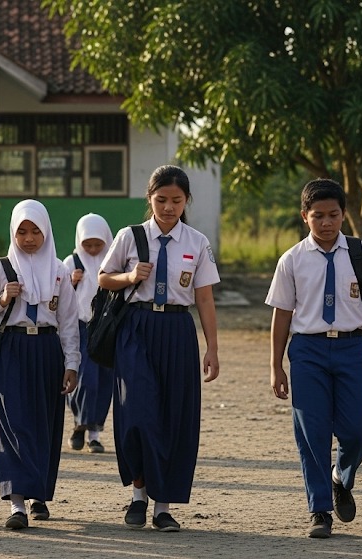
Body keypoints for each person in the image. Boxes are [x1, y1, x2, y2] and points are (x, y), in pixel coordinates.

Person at [265, 178, 362, 539]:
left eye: (334, 215)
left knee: (357, 430)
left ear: (344, 215)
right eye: (318, 215)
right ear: (304, 216)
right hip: (307, 351)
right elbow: (282, 315)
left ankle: (341, 475)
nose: (326, 222)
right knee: (313, 433)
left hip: (352, 348)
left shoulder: (359, 252)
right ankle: (319, 510)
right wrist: (276, 365)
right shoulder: (291, 260)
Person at [99, 165, 220, 533]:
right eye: (161, 199)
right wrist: (130, 277)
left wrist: (212, 347)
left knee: (173, 415)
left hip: (177, 329)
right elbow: (104, 278)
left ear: (186, 202)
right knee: (136, 411)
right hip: (135, 327)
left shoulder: (197, 242)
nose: (168, 207)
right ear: (149, 199)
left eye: (176, 201)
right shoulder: (130, 236)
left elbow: (204, 297)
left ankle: (162, 506)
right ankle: (138, 494)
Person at [0, 199, 79, 530]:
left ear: (46, 231)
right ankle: (17, 503)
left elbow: (70, 322)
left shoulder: (60, 271)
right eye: (22, 232)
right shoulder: (0, 268)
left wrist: (72, 364)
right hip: (12, 350)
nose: (29, 238)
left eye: (36, 231)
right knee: (13, 422)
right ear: (13, 232)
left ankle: (39, 495)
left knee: (44, 422)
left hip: (47, 350)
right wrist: (2, 300)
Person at [62, 213, 114, 453]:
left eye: (97, 244)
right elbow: (58, 299)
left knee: (104, 380)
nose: (92, 249)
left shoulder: (114, 262)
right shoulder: (71, 263)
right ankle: (79, 421)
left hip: (106, 328)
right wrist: (71, 283)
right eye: (87, 244)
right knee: (85, 379)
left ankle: (94, 434)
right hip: (81, 327)